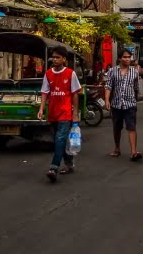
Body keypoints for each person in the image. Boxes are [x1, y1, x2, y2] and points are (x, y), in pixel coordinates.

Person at [37, 46, 81, 182]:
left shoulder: (70, 74)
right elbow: (45, 92)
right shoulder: (48, 74)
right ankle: (69, 164)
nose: (55, 59)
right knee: (58, 141)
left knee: (60, 139)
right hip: (53, 113)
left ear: (64, 59)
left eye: (58, 57)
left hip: (65, 113)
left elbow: (75, 94)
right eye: (53, 57)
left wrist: (74, 114)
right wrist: (41, 109)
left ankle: (53, 168)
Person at [104, 49, 142, 160]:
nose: (127, 59)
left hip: (130, 104)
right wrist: (107, 100)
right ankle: (117, 148)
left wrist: (135, 101)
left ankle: (134, 152)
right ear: (120, 58)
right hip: (116, 104)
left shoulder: (134, 72)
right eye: (125, 57)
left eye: (129, 57)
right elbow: (108, 86)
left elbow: (136, 88)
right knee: (117, 127)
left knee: (131, 127)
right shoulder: (112, 71)